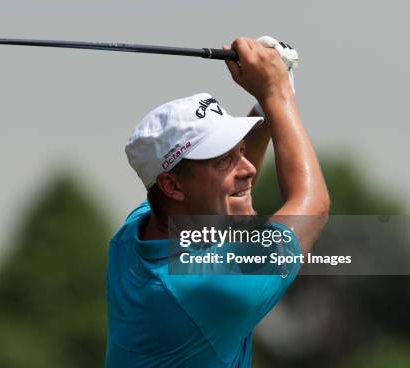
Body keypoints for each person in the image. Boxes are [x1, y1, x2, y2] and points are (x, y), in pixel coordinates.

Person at [105, 36, 330, 367]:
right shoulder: (209, 285)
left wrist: (267, 99)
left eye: (239, 150)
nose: (249, 168)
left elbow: (215, 191)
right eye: (224, 159)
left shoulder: (137, 232)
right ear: (171, 185)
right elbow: (312, 206)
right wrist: (276, 93)